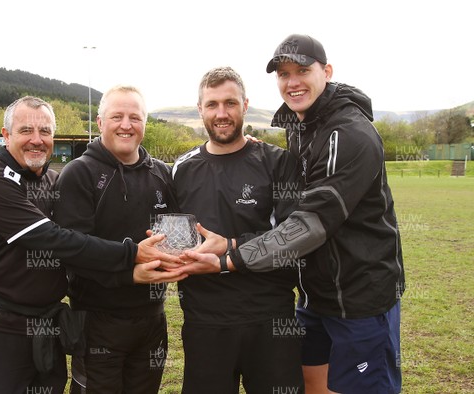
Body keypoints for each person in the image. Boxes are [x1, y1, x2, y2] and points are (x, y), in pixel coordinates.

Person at [182, 35, 404, 394]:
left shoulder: (349, 133)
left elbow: (309, 227)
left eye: (303, 70)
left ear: (326, 72)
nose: (293, 81)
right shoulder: (303, 128)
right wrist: (250, 154)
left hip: (359, 298)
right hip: (315, 296)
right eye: (284, 73)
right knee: (312, 385)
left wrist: (228, 257)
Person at [0, 96, 186, 394]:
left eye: (45, 131)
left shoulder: (52, 180)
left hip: (49, 324)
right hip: (4, 327)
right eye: (26, 131)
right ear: (6, 136)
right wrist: (132, 255)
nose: (37, 140)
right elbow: (55, 240)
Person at [171, 66, 304, 393]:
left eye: (230, 103)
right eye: (212, 104)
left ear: (245, 105)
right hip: (205, 322)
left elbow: (292, 238)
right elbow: (174, 241)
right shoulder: (181, 169)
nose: (221, 113)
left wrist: (228, 249)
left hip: (271, 318)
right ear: (200, 109)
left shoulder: (277, 162)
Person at [52, 85, 179, 394]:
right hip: (98, 321)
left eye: (135, 117)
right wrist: (130, 271)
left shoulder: (163, 173)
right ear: (99, 123)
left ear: (145, 123)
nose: (126, 125)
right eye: (117, 116)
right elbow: (73, 251)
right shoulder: (78, 174)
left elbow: (179, 233)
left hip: (152, 319)